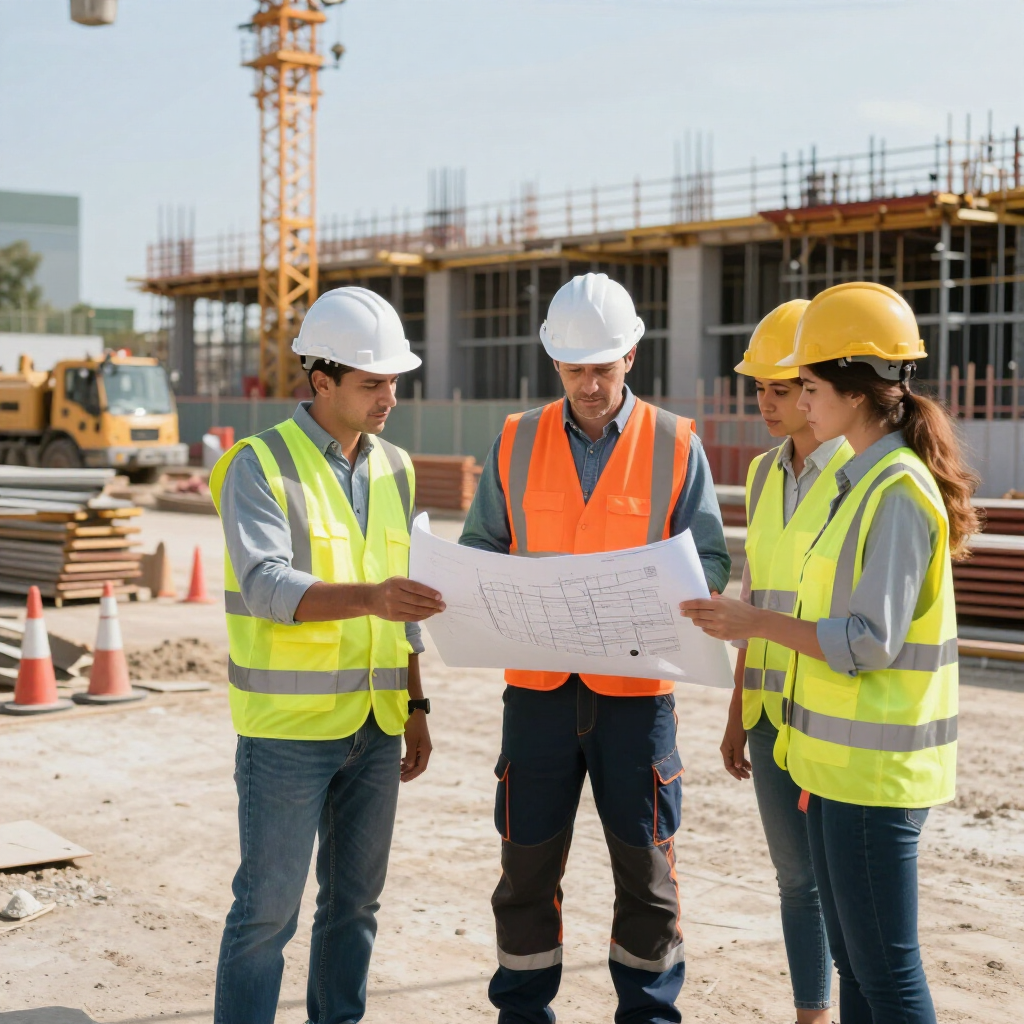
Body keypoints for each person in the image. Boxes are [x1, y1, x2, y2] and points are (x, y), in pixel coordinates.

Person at [682, 281, 978, 1024]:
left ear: (852, 389)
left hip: (877, 775)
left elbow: (867, 641)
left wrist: (753, 621)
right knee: (858, 963)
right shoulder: (863, 480)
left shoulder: (897, 490)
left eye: (807, 385)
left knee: (887, 973)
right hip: (835, 764)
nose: (796, 401)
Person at [460, 272, 731, 1024]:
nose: (588, 383)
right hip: (538, 696)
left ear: (632, 356)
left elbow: (710, 559)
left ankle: (648, 1015)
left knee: (646, 879)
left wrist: (657, 595)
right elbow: (482, 544)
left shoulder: (676, 443)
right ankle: (523, 1013)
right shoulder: (516, 438)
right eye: (574, 368)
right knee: (525, 869)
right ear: (554, 361)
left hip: (636, 702)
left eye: (601, 368)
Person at [208, 286, 446, 1024]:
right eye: (372, 383)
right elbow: (269, 586)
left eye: (394, 381)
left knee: (355, 907)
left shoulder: (396, 469)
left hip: (376, 729)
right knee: (267, 914)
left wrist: (416, 705)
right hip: (288, 732)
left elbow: (401, 606)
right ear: (322, 382)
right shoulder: (258, 464)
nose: (389, 397)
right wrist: (373, 597)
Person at [722, 298, 852, 1024]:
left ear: (814, 388)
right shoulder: (767, 475)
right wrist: (738, 712)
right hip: (772, 717)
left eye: (781, 388)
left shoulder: (860, 475)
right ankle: (813, 1015)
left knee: (842, 887)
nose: (768, 404)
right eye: (760, 390)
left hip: (835, 717)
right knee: (796, 880)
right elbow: (754, 598)